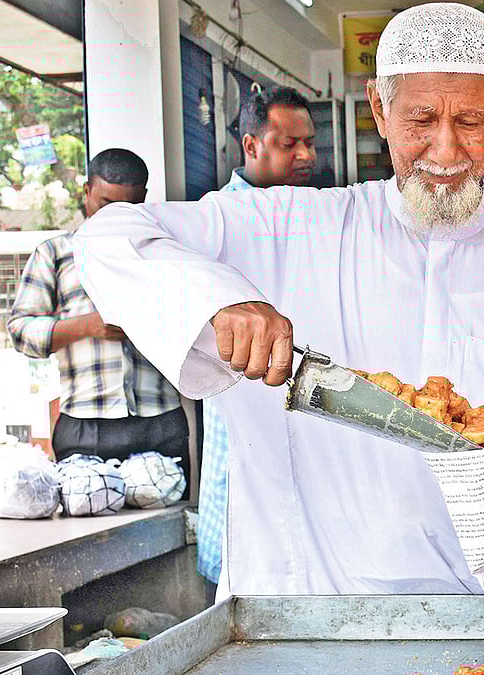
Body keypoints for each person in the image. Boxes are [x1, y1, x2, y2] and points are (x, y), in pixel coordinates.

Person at [72, 3, 484, 614]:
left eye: (470, 120)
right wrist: (220, 301)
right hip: (305, 619)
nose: (446, 150)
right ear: (379, 109)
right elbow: (110, 237)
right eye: (421, 119)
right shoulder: (282, 227)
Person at [8, 149, 190, 480]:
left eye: (127, 207)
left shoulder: (166, 252)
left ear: (144, 199)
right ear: (86, 192)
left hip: (160, 417)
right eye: (106, 205)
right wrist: (87, 326)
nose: (115, 217)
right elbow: (21, 333)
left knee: (171, 527)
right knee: (91, 524)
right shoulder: (55, 254)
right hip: (85, 423)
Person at [198, 86, 317, 590]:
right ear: (251, 145)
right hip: (243, 418)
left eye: (309, 142)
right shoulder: (215, 224)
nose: (307, 155)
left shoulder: (316, 214)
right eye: (289, 144)